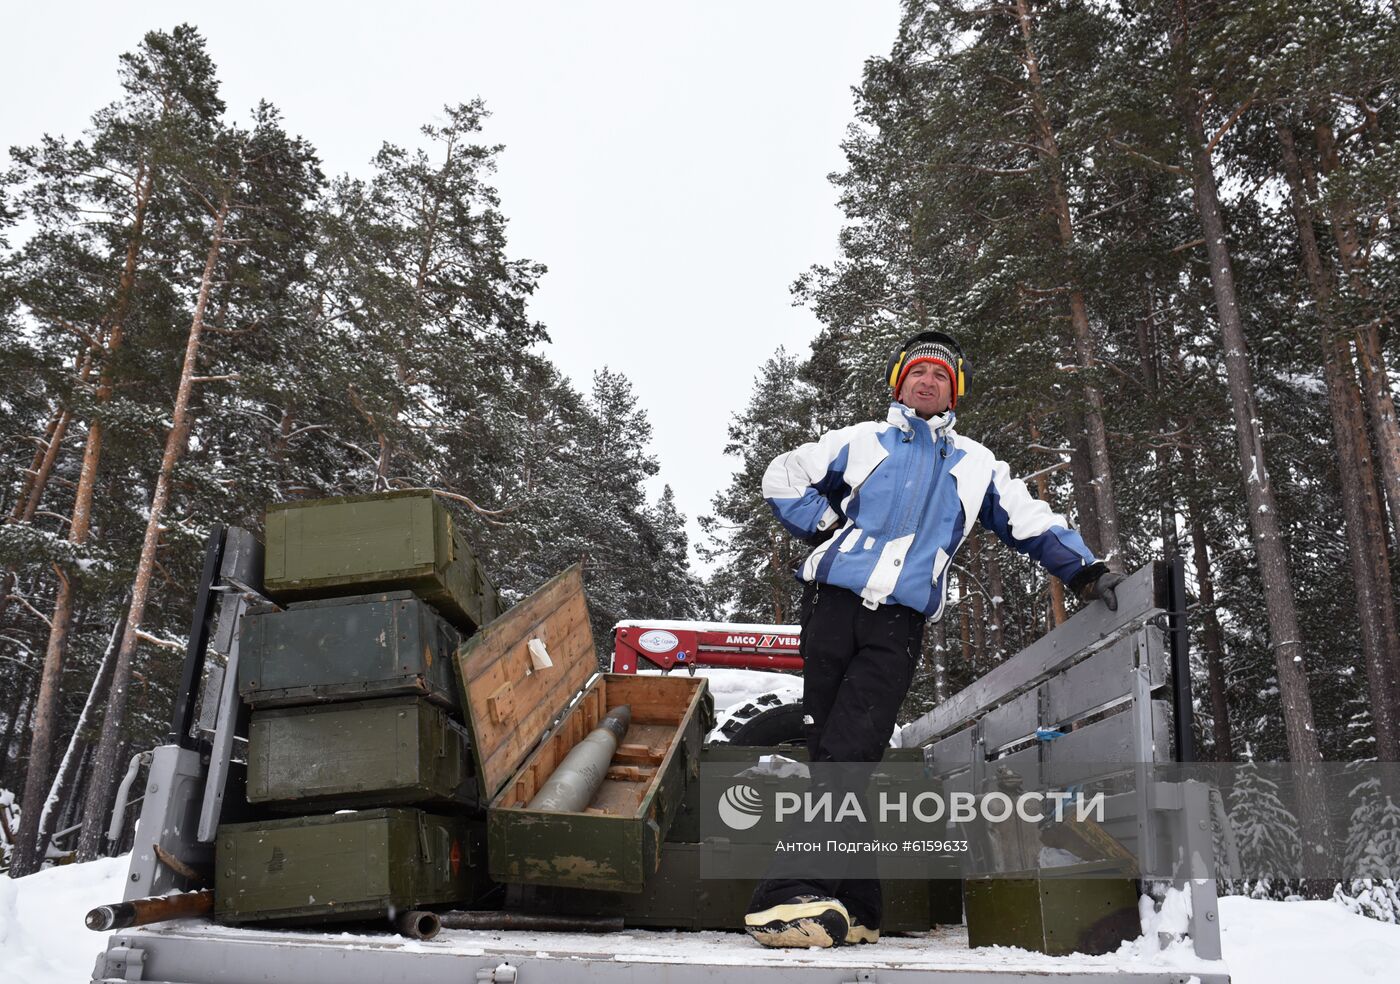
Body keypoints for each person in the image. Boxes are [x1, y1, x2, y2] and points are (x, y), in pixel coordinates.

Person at [742, 330, 1123, 948]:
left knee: (850, 749)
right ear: (899, 383)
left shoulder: (976, 464)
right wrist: (829, 525)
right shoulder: (859, 441)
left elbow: (1031, 521)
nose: (927, 382)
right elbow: (782, 476)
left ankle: (785, 895)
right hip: (832, 609)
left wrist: (1085, 569)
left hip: (897, 623)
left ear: (954, 393)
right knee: (839, 755)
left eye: (941, 376)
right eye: (917, 372)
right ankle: (855, 901)